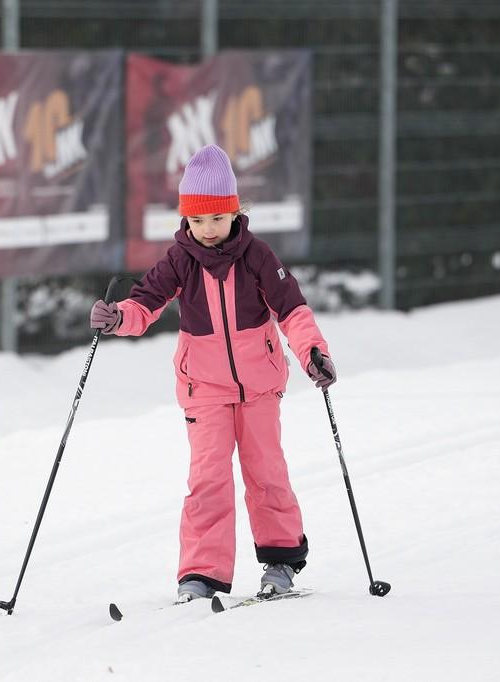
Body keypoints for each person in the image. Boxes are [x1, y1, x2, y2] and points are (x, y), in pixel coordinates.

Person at [90, 144, 337, 602]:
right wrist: (118, 317)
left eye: (217, 218)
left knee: (266, 472)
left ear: (235, 212)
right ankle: (201, 573)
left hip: (259, 387)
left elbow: (292, 311)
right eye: (197, 219)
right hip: (203, 388)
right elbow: (144, 303)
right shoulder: (180, 259)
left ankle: (281, 560)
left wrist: (313, 354)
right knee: (207, 479)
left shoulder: (258, 256)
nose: (207, 229)